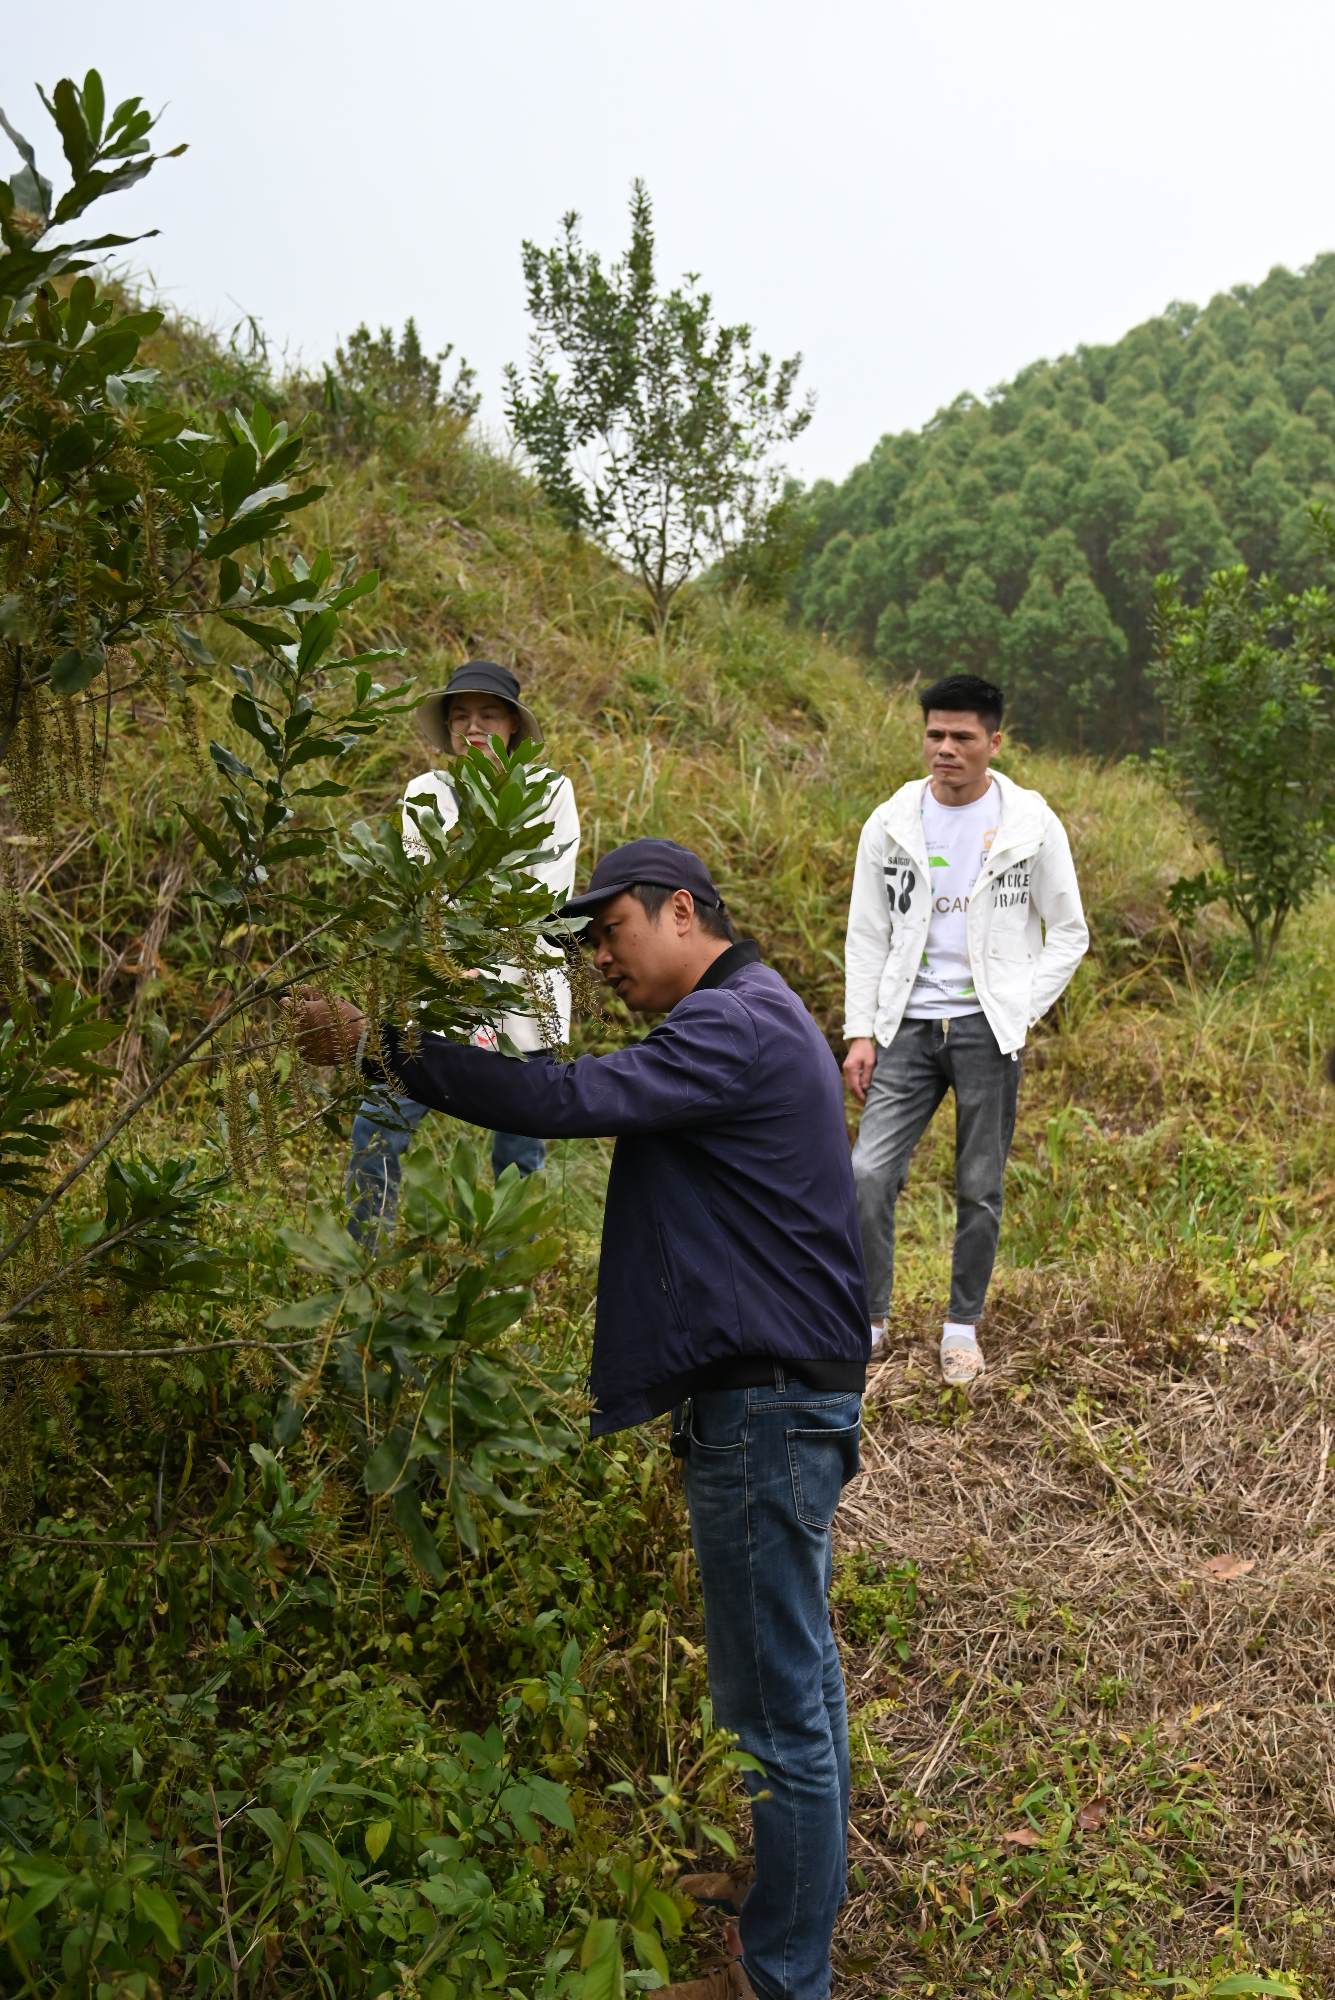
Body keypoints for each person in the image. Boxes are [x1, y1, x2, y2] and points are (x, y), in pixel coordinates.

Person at [297, 838, 870, 2000]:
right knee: (799, 1679)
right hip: (780, 1387)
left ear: (678, 910)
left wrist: (389, 1048)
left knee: (776, 1701)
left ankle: (781, 1976)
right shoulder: (758, 1013)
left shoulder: (735, 1023)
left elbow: (569, 1096)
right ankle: (792, 1900)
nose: (599, 958)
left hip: (766, 1400)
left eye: (609, 930)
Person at [842, 673, 1088, 1385]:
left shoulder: (1029, 824)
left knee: (978, 1185)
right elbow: (867, 932)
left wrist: (1015, 1006)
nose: (944, 749)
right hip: (906, 1027)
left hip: (987, 1028)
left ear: (994, 742)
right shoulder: (889, 822)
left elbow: (1067, 932)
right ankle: (870, 1320)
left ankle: (959, 1328)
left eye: (961, 737)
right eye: (934, 735)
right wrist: (861, 1030)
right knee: (866, 1173)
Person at [345, 660, 580, 1242]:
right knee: (380, 1122)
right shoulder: (428, 792)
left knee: (519, 1148)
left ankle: (503, 1272)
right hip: (441, 991)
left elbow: (547, 891)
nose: (473, 727)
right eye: (461, 716)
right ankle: (363, 1260)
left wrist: (475, 917)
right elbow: (422, 885)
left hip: (526, 1000)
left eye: (488, 714)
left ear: (513, 727)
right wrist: (456, 952)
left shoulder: (550, 792)